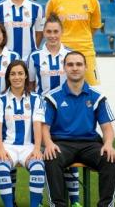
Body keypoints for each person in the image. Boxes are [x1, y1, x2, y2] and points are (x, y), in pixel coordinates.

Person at [43, 51, 115, 207]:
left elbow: (107, 128)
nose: (75, 68)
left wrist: (108, 144)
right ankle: (58, 205)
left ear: (85, 67)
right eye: (70, 64)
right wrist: (49, 143)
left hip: (90, 144)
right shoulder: (52, 96)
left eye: (79, 64)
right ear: (64, 68)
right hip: (61, 144)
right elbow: (44, 127)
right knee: (50, 159)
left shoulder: (97, 96)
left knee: (111, 161)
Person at [27, 14, 80, 205]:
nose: (51, 35)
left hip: (66, 112)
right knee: (45, 157)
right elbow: (31, 85)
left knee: (70, 153)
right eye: (48, 31)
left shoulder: (71, 56)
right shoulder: (35, 56)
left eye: (55, 31)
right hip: (44, 114)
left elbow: (78, 84)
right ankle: (42, 200)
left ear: (61, 32)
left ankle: (74, 200)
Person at [0, 61, 45, 207]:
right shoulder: (0, 99)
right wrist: (1, 149)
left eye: (20, 73)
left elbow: (37, 125)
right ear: (8, 77)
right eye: (13, 74)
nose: (17, 77)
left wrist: (36, 149)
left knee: (38, 169)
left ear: (26, 76)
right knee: (2, 168)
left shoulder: (36, 99)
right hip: (6, 146)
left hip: (29, 147)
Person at [45, 0, 102, 86]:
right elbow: (49, 27)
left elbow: (95, 26)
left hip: (86, 51)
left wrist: (82, 39)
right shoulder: (54, 0)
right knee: (62, 89)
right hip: (62, 51)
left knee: (91, 90)